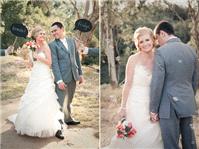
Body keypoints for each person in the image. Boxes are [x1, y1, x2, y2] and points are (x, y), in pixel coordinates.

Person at [104, 27, 163, 149]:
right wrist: (123, 106)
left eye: (147, 40)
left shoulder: (160, 57)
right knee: (134, 134)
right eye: (141, 42)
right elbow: (128, 84)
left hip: (153, 102)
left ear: (153, 39)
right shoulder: (133, 59)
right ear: (138, 45)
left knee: (154, 134)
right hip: (135, 103)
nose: (145, 44)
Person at [8, 26, 64, 139]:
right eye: (40, 34)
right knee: (33, 98)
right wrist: (28, 63)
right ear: (35, 36)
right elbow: (31, 62)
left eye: (43, 34)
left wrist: (38, 57)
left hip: (44, 76)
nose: (43, 36)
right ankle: (31, 124)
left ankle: (49, 126)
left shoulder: (46, 46)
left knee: (44, 98)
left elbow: (49, 62)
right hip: (35, 76)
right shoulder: (32, 46)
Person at [150, 20, 198, 149]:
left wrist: (153, 109)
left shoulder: (161, 52)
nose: (157, 42)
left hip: (168, 106)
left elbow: (157, 83)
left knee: (171, 144)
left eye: (157, 38)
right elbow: (195, 80)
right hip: (187, 102)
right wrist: (188, 96)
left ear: (163, 33)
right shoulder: (191, 50)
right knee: (190, 142)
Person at [49, 22, 83, 125]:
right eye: (52, 32)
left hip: (73, 75)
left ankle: (68, 119)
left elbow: (76, 58)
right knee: (61, 101)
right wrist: (59, 80)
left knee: (69, 99)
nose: (54, 33)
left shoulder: (71, 41)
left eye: (55, 30)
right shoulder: (52, 45)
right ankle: (58, 124)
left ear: (62, 29)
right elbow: (54, 64)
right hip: (62, 77)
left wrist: (80, 74)